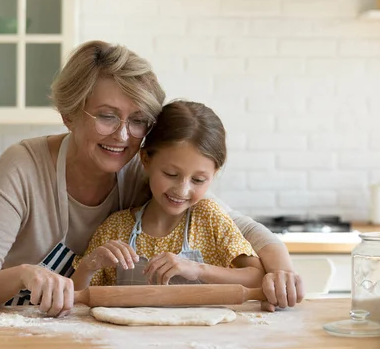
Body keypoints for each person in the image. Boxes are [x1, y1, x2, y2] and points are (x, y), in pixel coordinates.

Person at [0, 40, 304, 318]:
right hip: (11, 328)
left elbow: (242, 228)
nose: (123, 135)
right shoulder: (23, 167)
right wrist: (24, 274)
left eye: (138, 120)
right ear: (68, 115)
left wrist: (282, 274)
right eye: (107, 116)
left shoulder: (142, 169)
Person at [71, 100, 265, 290]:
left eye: (198, 180)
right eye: (171, 175)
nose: (182, 190)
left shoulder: (209, 219)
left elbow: (256, 277)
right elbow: (77, 296)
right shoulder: (116, 228)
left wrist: (198, 270)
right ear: (146, 159)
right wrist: (89, 266)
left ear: (214, 174)